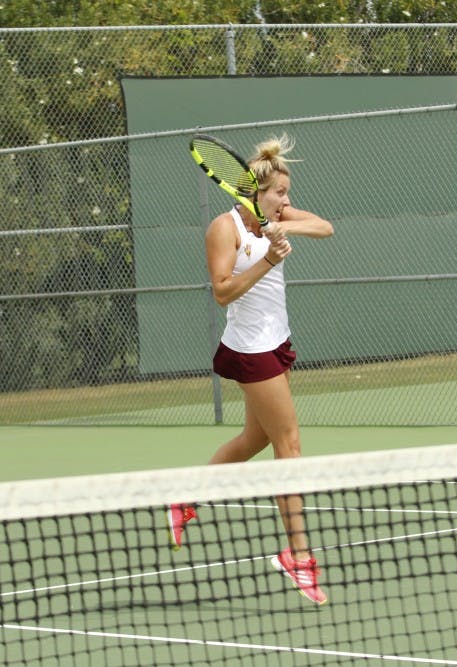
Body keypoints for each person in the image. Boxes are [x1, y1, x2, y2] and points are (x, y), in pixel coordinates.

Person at [168, 135, 334, 605]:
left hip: (276, 342)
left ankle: (184, 498)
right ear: (254, 192)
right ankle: (299, 557)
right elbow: (222, 291)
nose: (287, 199)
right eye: (280, 193)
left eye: (287, 192)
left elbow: (325, 227)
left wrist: (284, 227)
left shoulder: (277, 217)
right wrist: (267, 257)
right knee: (290, 444)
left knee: (254, 441)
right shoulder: (224, 229)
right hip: (249, 350)